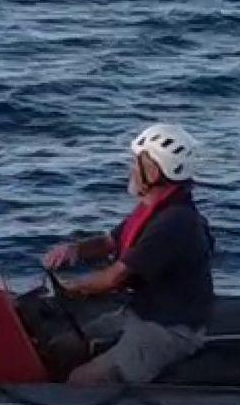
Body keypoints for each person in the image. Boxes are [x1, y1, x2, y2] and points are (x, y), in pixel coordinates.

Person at [39, 122, 214, 387]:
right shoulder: (155, 210)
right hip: (141, 314)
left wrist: (73, 286)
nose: (132, 169)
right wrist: (74, 250)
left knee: (81, 381)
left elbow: (114, 277)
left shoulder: (174, 223)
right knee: (61, 348)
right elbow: (109, 241)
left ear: (154, 171)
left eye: (137, 163)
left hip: (168, 330)